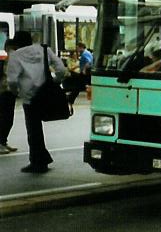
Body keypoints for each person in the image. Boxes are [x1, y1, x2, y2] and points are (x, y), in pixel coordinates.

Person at [5, 31, 67, 173]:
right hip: (45, 94)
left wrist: (16, 92)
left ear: (16, 43)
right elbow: (61, 69)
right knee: (37, 130)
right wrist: (55, 81)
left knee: (33, 130)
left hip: (30, 97)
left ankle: (38, 162)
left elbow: (12, 80)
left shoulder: (16, 56)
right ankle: (42, 158)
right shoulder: (44, 49)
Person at [0, 37, 19, 154]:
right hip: (6, 92)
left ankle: (3, 141)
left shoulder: (10, 58)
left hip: (7, 91)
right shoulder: (12, 58)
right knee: (6, 118)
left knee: (7, 118)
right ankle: (1, 142)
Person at [63, 41, 93, 110]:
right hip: (85, 73)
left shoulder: (85, 54)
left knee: (78, 86)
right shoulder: (87, 53)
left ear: (81, 47)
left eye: (78, 48)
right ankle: (70, 98)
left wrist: (84, 69)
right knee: (78, 86)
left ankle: (70, 98)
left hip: (85, 73)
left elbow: (88, 62)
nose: (77, 50)